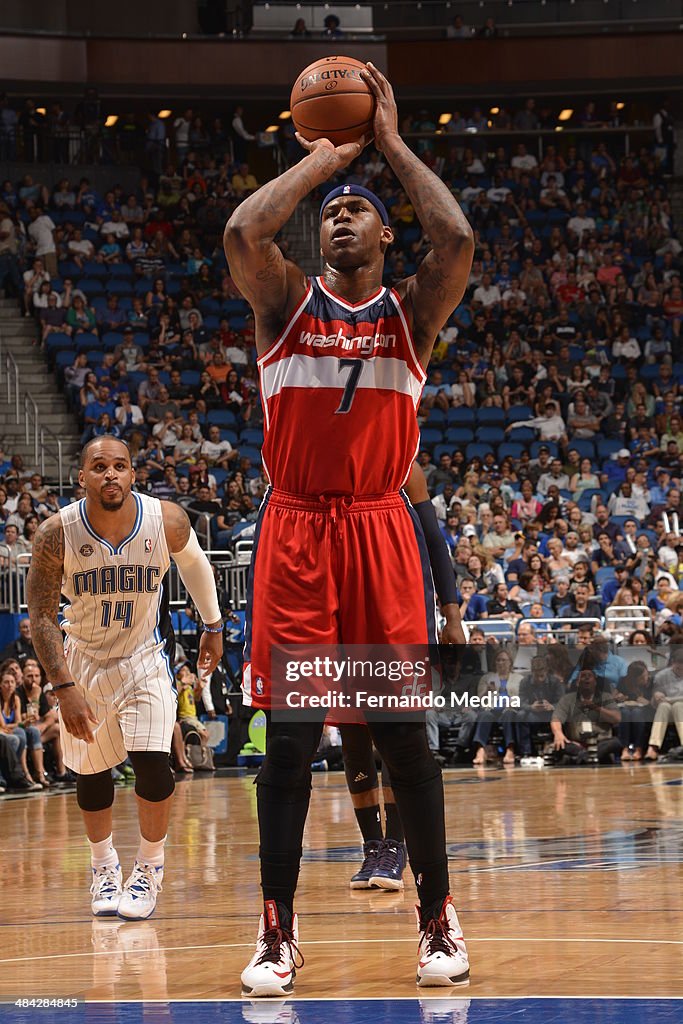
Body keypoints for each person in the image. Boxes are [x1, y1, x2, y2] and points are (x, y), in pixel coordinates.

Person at [224, 62, 474, 994]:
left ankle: (438, 917)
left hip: (377, 532)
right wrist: (325, 158)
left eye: (360, 206)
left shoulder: (412, 311)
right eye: (333, 208)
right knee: (288, 742)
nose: (342, 213)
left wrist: (391, 146)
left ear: (382, 233)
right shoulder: (286, 300)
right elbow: (245, 228)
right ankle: (276, 931)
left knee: (404, 736)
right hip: (295, 536)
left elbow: (454, 235)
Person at [26, 436, 223, 920]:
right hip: (83, 662)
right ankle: (103, 865)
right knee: (92, 777)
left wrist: (213, 625)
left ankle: (149, 867)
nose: (110, 474)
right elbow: (43, 616)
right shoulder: (56, 532)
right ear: (82, 477)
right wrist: (64, 686)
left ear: (133, 474)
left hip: (142, 657)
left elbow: (196, 565)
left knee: (153, 765)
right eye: (99, 466)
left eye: (120, 466)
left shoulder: (166, 519)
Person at [342, 463, 467, 890]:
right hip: (343, 612)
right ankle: (372, 845)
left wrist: (451, 613)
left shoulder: (405, 468)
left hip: (398, 613)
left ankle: (396, 843)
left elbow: (435, 542)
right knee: (353, 734)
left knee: (398, 733)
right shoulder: (329, 463)